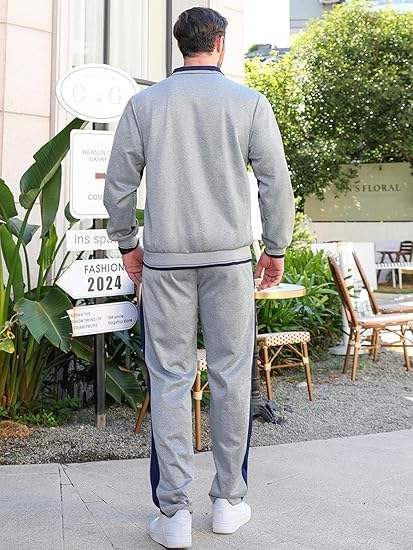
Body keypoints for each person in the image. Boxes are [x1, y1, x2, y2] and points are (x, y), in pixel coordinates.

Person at [103, 7, 295, 548]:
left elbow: (118, 185)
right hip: (230, 262)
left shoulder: (144, 105)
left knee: (169, 379)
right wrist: (276, 248)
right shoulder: (248, 102)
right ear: (221, 43)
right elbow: (275, 183)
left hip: (165, 263)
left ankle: (174, 514)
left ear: (180, 44)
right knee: (232, 377)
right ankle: (229, 502)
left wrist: (127, 244)